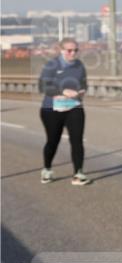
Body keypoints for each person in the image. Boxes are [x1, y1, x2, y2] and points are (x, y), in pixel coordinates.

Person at [38, 39, 91, 185]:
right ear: (61, 50)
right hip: (52, 109)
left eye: (75, 50)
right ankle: (47, 169)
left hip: (74, 106)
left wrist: (82, 90)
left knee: (77, 140)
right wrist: (62, 91)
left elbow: (84, 82)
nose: (73, 53)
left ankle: (78, 173)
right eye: (69, 50)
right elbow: (43, 87)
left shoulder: (79, 65)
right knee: (53, 141)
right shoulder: (52, 65)